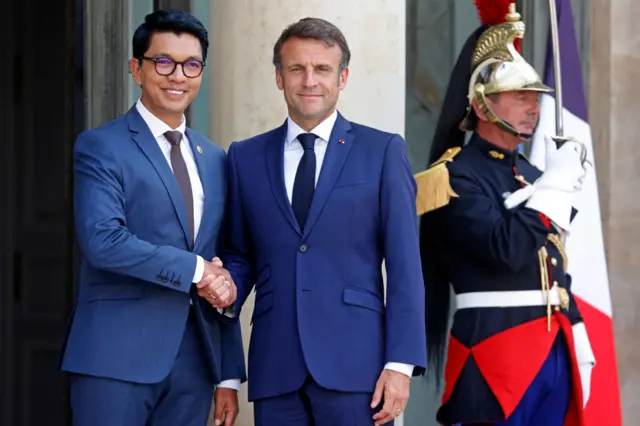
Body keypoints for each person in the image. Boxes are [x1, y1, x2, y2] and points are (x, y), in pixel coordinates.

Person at [219, 17, 426, 426]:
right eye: (296, 68)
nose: (309, 80)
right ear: (279, 77)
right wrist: (227, 367)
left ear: (342, 77)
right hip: (276, 368)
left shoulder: (382, 151)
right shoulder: (244, 157)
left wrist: (400, 364)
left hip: (358, 370)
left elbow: (404, 266)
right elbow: (238, 258)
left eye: (322, 69)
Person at [59, 10, 245, 426]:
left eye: (191, 64)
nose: (177, 75)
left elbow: (221, 262)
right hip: (114, 359)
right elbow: (103, 240)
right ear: (136, 69)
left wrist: (228, 374)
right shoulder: (101, 146)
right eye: (163, 61)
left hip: (194, 365)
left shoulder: (214, 159)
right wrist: (196, 269)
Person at [415, 3, 595, 426]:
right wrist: (553, 186)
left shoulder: (531, 174)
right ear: (482, 106)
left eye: (535, 97)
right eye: (520, 97)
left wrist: (578, 330)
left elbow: (554, 266)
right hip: (494, 353)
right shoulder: (453, 176)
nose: (533, 107)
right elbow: (506, 249)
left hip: (554, 349)